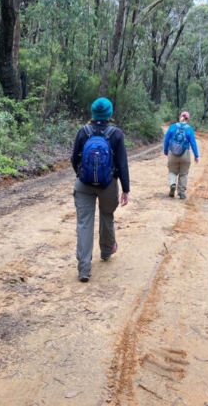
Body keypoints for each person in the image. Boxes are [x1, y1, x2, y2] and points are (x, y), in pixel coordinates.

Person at [71, 98, 130, 283]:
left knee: (84, 224)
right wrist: (125, 189)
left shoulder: (83, 132)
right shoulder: (116, 134)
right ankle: (106, 251)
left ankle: (84, 269)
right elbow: (122, 164)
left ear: (93, 113)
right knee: (106, 216)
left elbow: (74, 159)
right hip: (108, 185)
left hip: (83, 185)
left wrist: (82, 175)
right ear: (109, 114)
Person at [163, 111, 199, 200]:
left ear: (180, 117)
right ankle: (181, 192)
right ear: (188, 119)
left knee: (172, 171)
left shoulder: (172, 126)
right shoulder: (189, 129)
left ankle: (172, 184)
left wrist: (165, 150)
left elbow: (166, 139)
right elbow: (193, 143)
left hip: (172, 153)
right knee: (183, 174)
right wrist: (196, 155)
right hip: (185, 154)